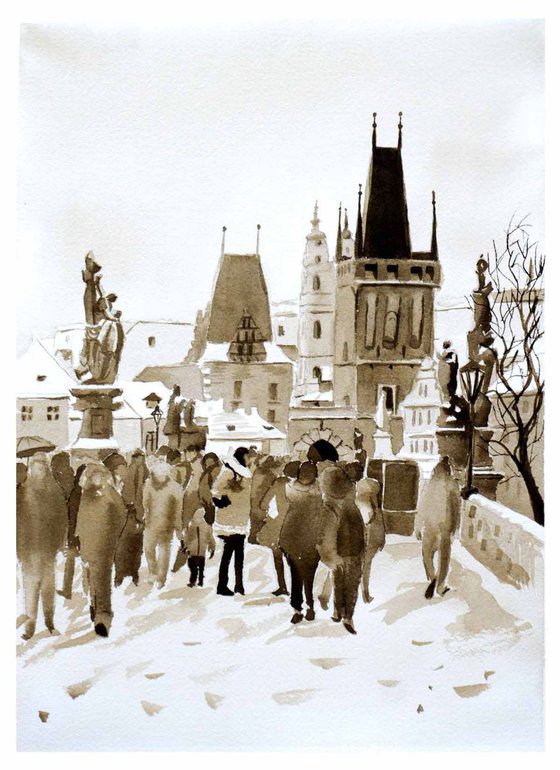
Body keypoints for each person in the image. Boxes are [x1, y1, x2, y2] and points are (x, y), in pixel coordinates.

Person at [17, 453, 67, 640]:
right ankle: (29, 628)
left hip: (47, 548)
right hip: (28, 550)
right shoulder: (22, 491)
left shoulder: (54, 491)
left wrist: (60, 543)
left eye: (43, 468)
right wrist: (18, 549)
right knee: (30, 589)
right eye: (37, 468)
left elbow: (62, 519)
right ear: (31, 470)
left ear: (47, 470)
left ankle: (50, 623)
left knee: (47, 587)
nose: (40, 471)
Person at [76, 463, 127, 637]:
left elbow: (121, 516)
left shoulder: (111, 494)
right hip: (88, 544)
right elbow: (81, 521)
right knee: (91, 577)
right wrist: (80, 543)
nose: (97, 478)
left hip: (105, 545)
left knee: (102, 579)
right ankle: (94, 604)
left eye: (100, 475)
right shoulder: (86, 495)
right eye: (94, 476)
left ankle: (102, 617)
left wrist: (113, 535)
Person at [318, 466, 365, 635]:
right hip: (354, 546)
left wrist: (329, 554)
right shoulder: (350, 497)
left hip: (338, 549)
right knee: (351, 583)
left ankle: (338, 612)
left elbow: (325, 533)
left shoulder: (327, 504)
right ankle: (347, 616)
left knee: (338, 580)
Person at [279, 461, 324, 624]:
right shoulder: (319, 489)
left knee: (295, 575)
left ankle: (297, 610)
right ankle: (310, 607)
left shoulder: (289, 488)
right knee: (309, 575)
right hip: (311, 536)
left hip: (291, 536)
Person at [415, 456, 461, 599]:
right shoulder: (453, 485)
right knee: (444, 558)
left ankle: (432, 577)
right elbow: (456, 509)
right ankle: (440, 586)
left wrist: (417, 526)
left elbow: (421, 506)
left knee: (427, 554)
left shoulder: (429, 485)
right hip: (445, 527)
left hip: (429, 525)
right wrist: (455, 528)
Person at [213, 446, 252, 596]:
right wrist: (223, 500)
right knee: (231, 553)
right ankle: (227, 585)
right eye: (247, 457)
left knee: (236, 554)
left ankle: (237, 585)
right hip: (230, 519)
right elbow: (215, 490)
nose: (248, 460)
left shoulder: (242, 472)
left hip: (239, 517)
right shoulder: (229, 471)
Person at [257, 460, 300, 596]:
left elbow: (264, 504)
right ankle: (297, 588)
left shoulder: (279, 483)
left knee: (277, 554)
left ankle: (282, 586)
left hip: (280, 522)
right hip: (297, 524)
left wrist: (269, 513)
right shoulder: (304, 485)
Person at [346, 462, 386, 604]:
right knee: (365, 564)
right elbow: (375, 513)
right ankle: (364, 593)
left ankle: (359, 593)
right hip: (367, 530)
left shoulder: (351, 490)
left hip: (356, 532)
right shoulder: (369, 488)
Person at [142, 459, 183, 588]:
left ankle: (161, 577)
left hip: (167, 524)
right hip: (150, 522)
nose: (160, 473)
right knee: (148, 549)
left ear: (167, 472)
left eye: (163, 471)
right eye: (158, 470)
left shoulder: (175, 487)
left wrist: (178, 527)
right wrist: (144, 514)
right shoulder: (148, 484)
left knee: (164, 551)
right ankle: (153, 572)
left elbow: (178, 508)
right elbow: (144, 502)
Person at [58, 464, 86, 600]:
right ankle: (68, 589)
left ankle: (68, 589)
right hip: (77, 532)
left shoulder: (79, 492)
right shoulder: (77, 492)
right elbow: (72, 515)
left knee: (76, 561)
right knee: (73, 560)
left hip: (81, 532)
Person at [249, 455, 278, 544]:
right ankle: (256, 538)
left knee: (256, 520)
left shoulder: (257, 472)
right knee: (260, 519)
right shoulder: (269, 474)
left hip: (255, 499)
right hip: (261, 498)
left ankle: (253, 537)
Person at [184, 508, 216, 587]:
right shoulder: (206, 527)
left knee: (192, 566)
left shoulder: (191, 526)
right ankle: (200, 580)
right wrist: (212, 548)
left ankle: (193, 581)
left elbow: (187, 538)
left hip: (193, 550)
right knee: (201, 567)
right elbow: (211, 538)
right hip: (202, 551)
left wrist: (185, 547)